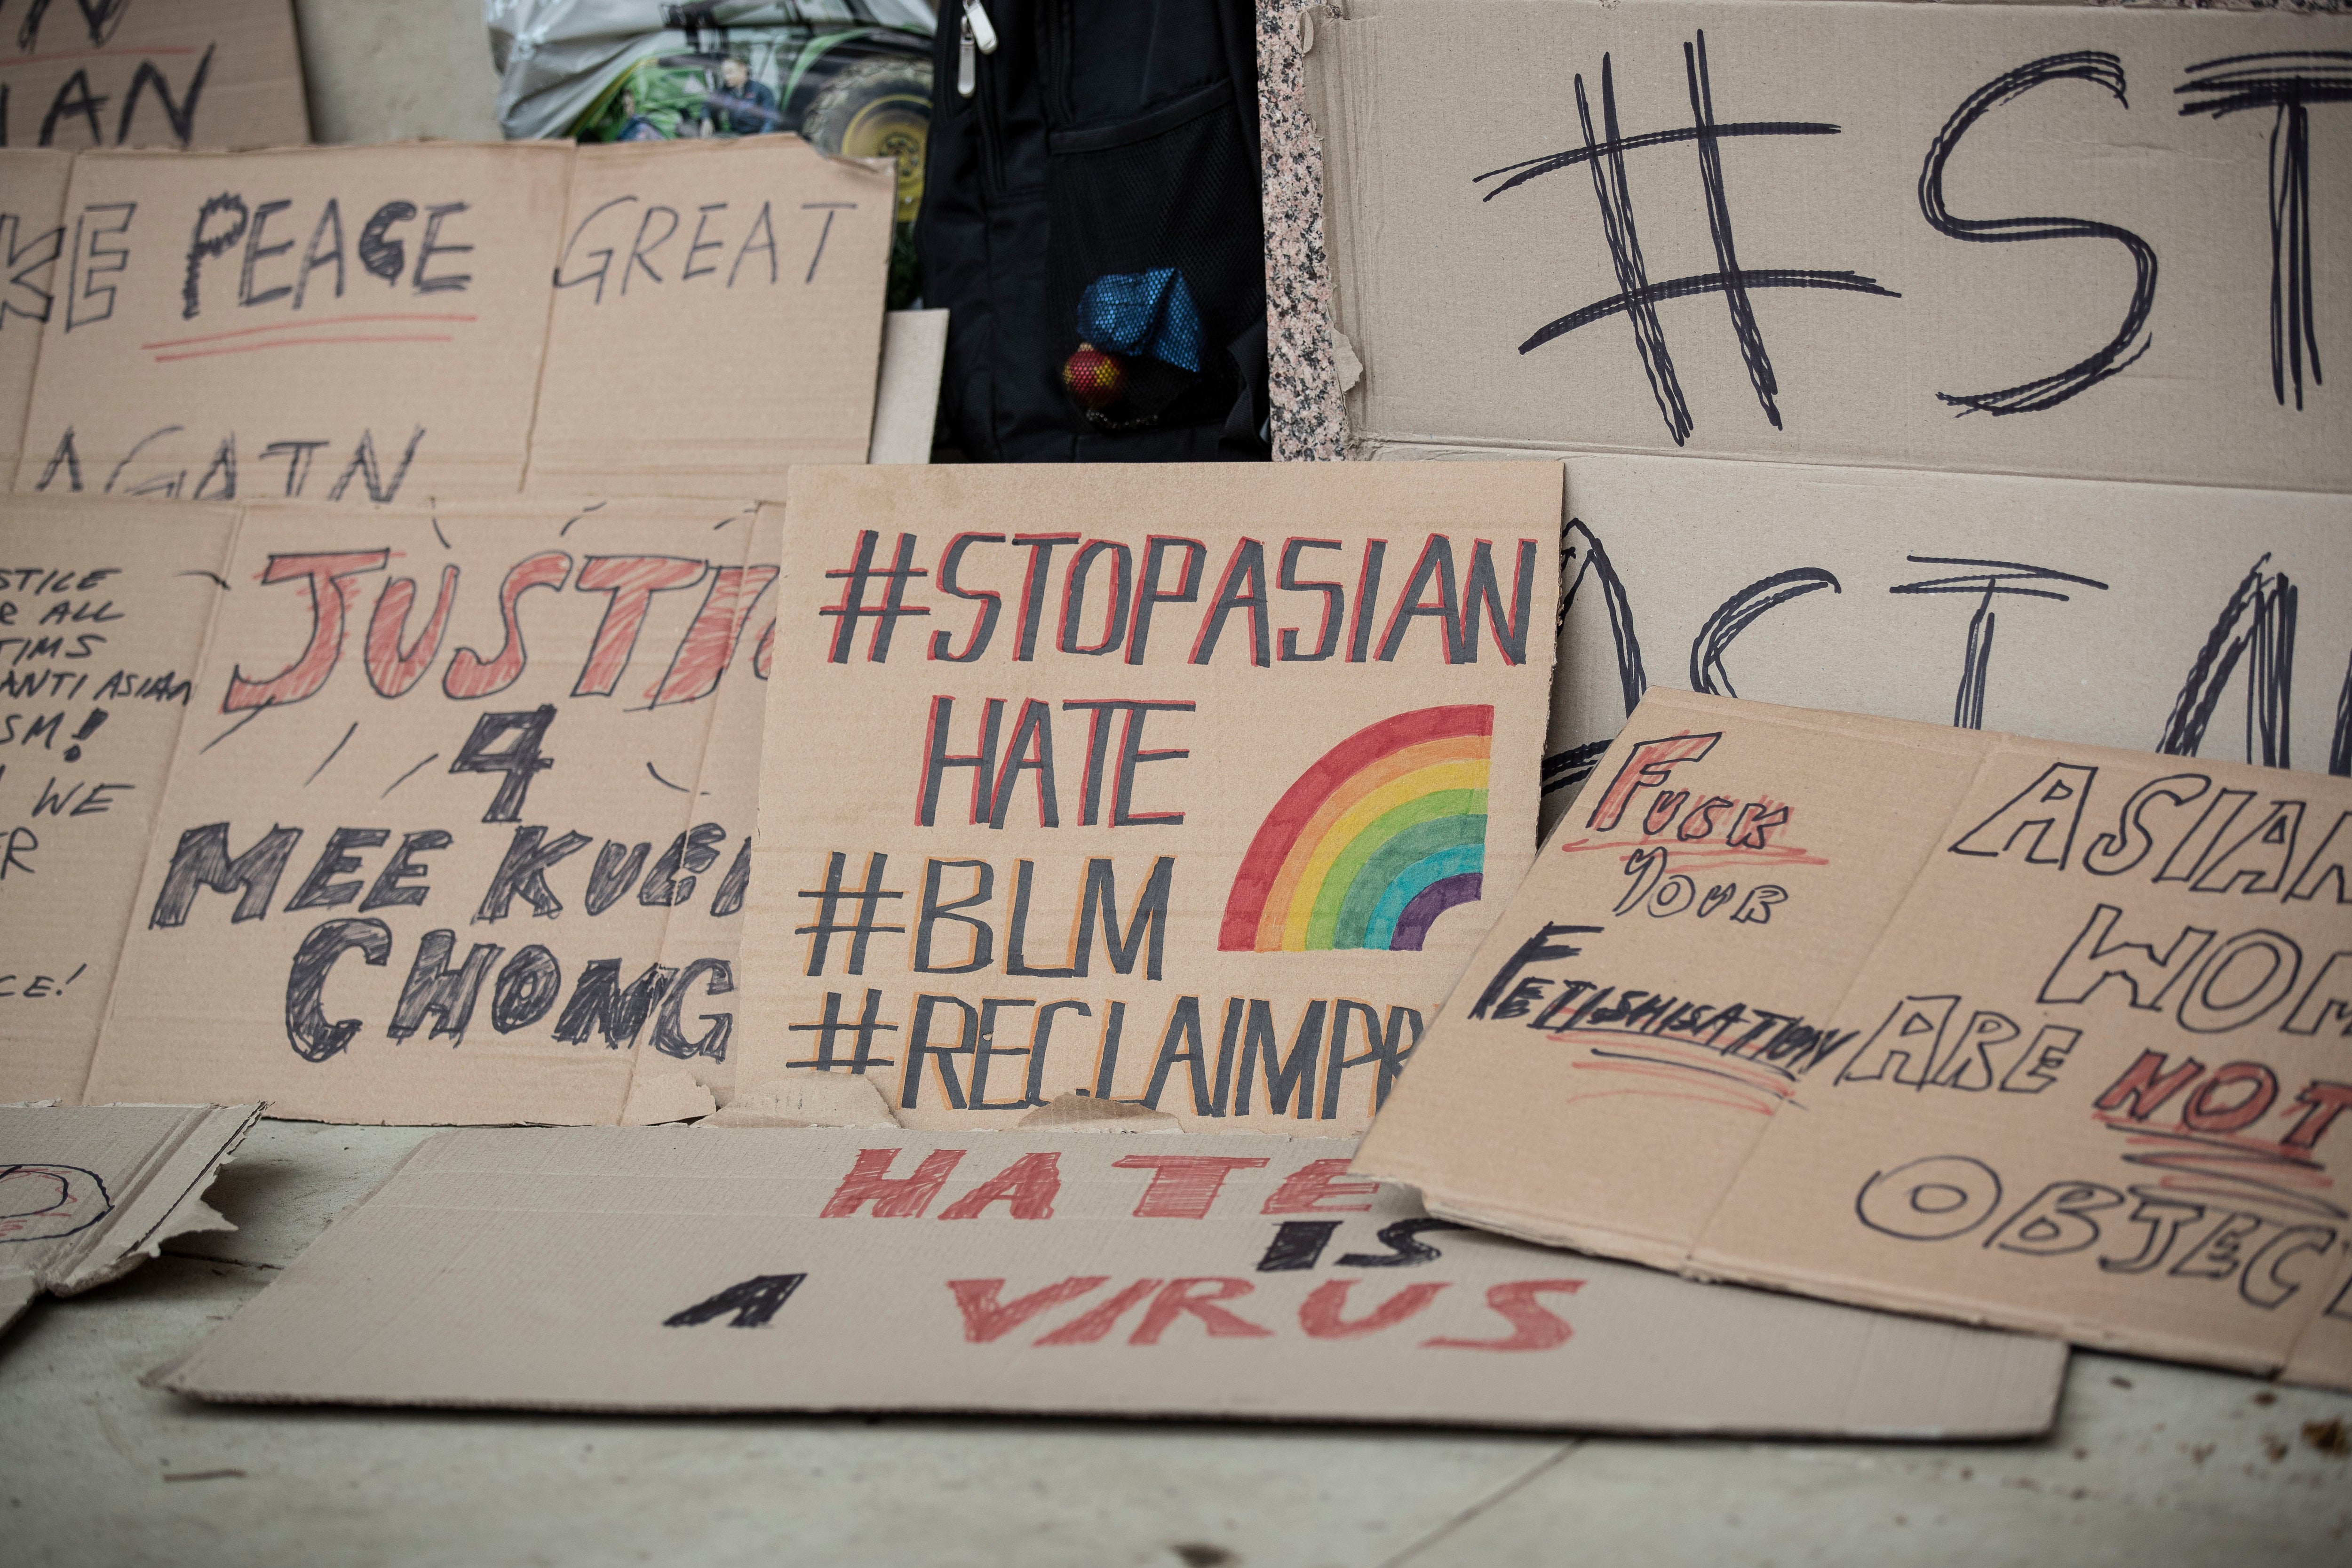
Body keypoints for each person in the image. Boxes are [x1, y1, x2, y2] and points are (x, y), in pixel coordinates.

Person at [704, 54, 780, 135]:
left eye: (729, 73)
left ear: (743, 69)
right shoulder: (725, 91)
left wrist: (761, 139)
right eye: (724, 74)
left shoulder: (761, 91)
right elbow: (709, 105)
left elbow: (771, 120)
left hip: (758, 135)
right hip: (736, 136)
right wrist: (706, 118)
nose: (726, 78)